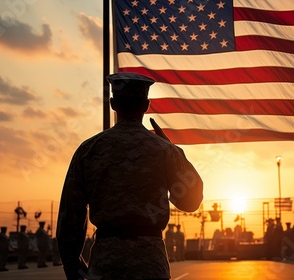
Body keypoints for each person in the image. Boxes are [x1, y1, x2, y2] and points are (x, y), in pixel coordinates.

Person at [56, 72, 204, 280]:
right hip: (150, 264)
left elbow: (70, 216)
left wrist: (73, 266)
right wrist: (176, 151)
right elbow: (190, 201)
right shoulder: (164, 150)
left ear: (113, 104)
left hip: (106, 264)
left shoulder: (89, 150)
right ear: (146, 105)